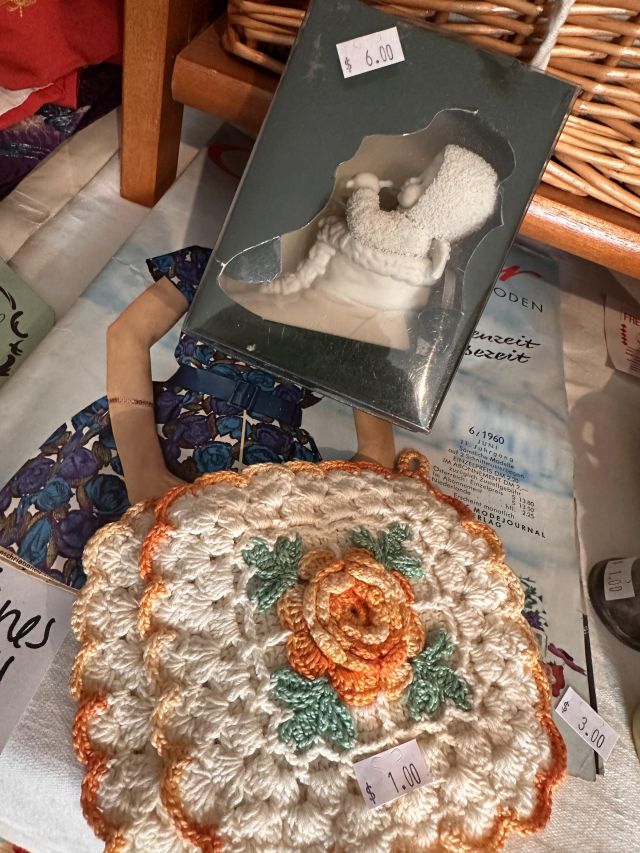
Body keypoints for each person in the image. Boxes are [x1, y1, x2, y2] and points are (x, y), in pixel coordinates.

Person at [0, 246, 395, 589]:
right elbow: (126, 335)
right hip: (155, 433)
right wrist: (142, 468)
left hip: (266, 477)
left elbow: (376, 454)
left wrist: (310, 517)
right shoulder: (218, 264)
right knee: (72, 555)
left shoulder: (355, 318)